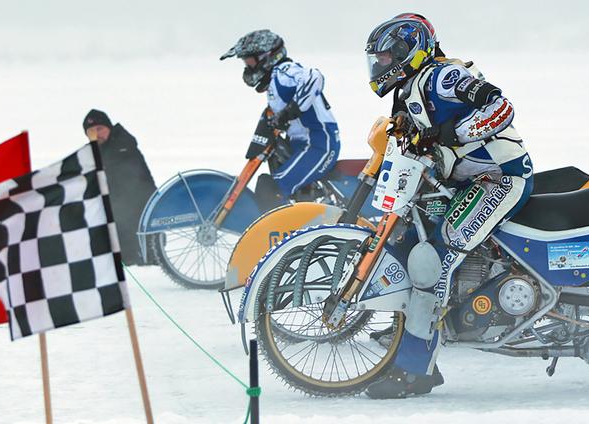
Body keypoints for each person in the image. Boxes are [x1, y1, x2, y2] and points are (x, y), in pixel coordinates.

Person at [362, 16, 535, 399]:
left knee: (435, 262)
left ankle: (416, 371)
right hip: (465, 180)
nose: (381, 66)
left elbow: (499, 105)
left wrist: (453, 134)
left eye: (388, 56)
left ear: (412, 51)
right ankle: (411, 335)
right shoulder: (409, 88)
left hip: (498, 178)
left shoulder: (443, 77)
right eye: (377, 59)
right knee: (410, 242)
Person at [220, 30, 340, 211]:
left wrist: (290, 111)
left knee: (270, 189)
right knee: (269, 185)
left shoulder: (285, 72)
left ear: (266, 58)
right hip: (303, 143)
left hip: (318, 144)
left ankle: (282, 236)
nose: (247, 67)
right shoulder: (275, 81)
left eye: (249, 61)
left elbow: (314, 77)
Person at [82, 109, 159, 266]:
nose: (96, 135)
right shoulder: (92, 153)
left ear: (109, 128)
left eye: (100, 129)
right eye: (91, 132)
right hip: (117, 212)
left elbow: (116, 174)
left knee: (136, 260)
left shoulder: (122, 144)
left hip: (139, 211)